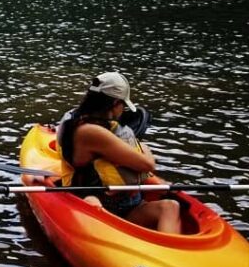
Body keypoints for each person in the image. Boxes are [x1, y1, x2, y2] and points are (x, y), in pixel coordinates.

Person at [56, 71, 180, 233]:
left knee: (170, 207)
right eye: (123, 104)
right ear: (115, 103)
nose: (123, 110)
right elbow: (147, 164)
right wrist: (143, 147)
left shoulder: (92, 123)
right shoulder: (90, 132)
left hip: (127, 204)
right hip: (100, 204)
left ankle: (166, 253)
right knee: (93, 203)